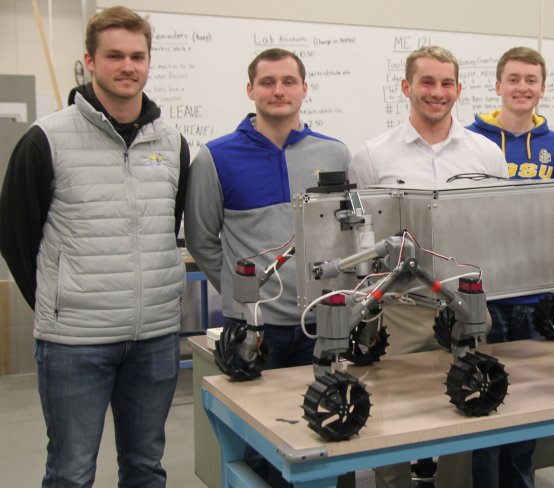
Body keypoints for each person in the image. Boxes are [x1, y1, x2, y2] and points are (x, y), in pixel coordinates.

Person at [0, 7, 189, 487]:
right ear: (90, 60)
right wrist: (58, 301)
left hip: (154, 338)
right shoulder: (46, 139)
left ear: (149, 62)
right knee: (71, 471)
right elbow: (17, 235)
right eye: (115, 55)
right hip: (75, 344)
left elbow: (167, 226)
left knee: (146, 467)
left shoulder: (172, 143)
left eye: (137, 56)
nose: (128, 66)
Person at [184, 48, 351, 487]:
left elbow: (345, 233)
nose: (279, 91)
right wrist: (249, 291)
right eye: (268, 82)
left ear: (304, 89)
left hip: (322, 323)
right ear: (250, 89)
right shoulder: (215, 157)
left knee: (328, 433)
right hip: (256, 332)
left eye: (289, 81)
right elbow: (202, 240)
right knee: (260, 447)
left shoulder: (334, 154)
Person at [348, 45, 506, 488]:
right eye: (427, 82)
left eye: (447, 83)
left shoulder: (487, 155)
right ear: (406, 86)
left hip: (467, 306)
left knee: (466, 411)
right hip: (400, 311)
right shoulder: (373, 157)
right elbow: (360, 243)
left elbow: (495, 229)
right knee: (392, 418)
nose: (437, 92)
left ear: (458, 88)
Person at [465, 45, 554, 488]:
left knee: (528, 407)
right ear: (498, 85)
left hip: (535, 298)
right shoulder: (470, 139)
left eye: (531, 80)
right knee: (485, 405)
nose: (522, 87)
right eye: (514, 79)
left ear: (542, 88)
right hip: (485, 297)